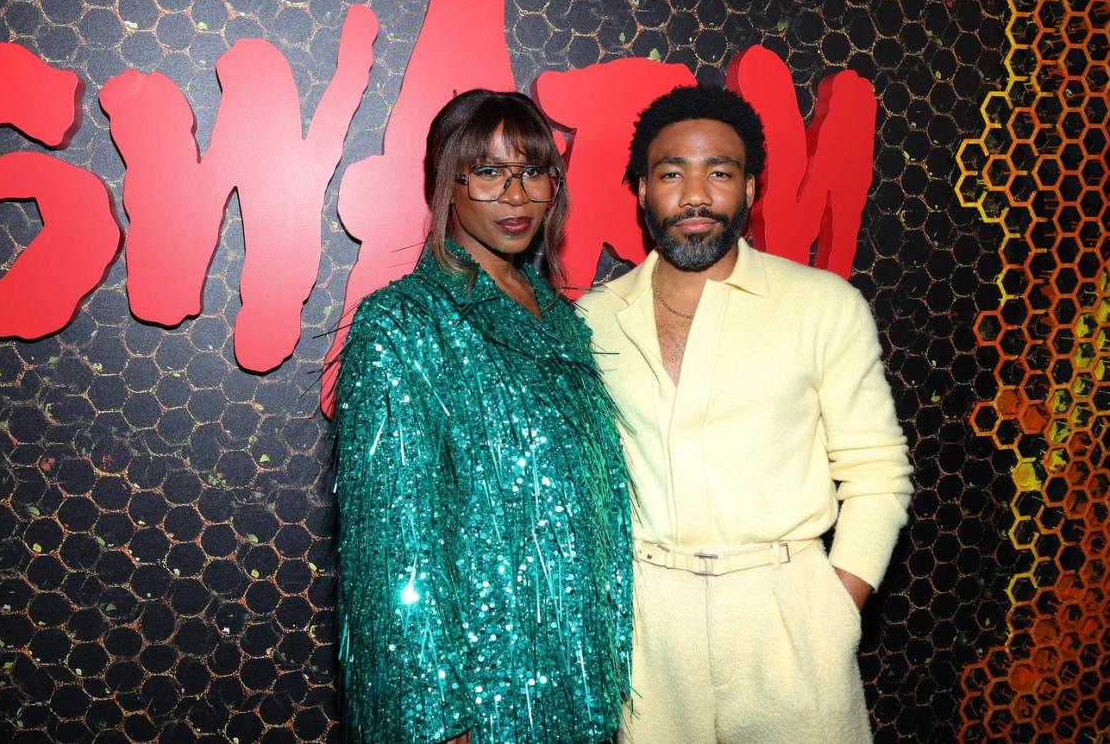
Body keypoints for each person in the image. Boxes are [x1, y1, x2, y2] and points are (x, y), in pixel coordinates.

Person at [579, 85, 913, 743]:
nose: (695, 195)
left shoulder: (822, 305)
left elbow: (877, 472)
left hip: (788, 617)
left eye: (720, 172)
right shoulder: (592, 320)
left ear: (752, 189)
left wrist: (834, 610)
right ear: (641, 190)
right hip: (649, 629)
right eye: (672, 173)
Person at [334, 89, 633, 744]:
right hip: (481, 698)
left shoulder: (561, 320)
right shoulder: (402, 322)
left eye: (532, 171)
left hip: (578, 681)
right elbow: (394, 554)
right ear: (448, 181)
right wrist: (436, 723)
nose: (516, 195)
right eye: (490, 171)